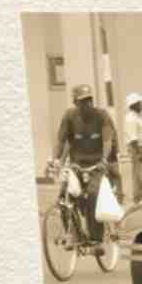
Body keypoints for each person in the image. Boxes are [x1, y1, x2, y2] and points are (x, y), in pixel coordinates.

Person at [52, 84, 116, 245]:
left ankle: (96, 238)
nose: (87, 104)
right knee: (64, 196)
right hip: (76, 165)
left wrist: (104, 160)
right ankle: (72, 233)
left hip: (96, 165)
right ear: (75, 102)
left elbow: (107, 141)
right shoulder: (69, 116)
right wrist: (56, 160)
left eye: (89, 100)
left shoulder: (102, 115)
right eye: (83, 101)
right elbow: (61, 141)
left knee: (93, 195)